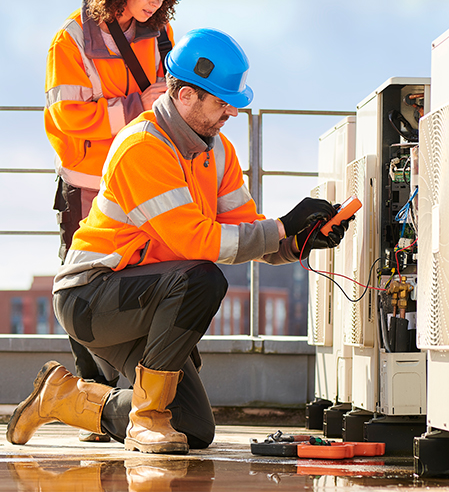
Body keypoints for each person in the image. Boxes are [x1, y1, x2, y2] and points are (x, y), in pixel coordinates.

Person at [7, 28, 349, 454]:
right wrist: (281, 226)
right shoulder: (141, 147)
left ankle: (65, 397)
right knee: (204, 279)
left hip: (148, 298)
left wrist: (298, 241)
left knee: (192, 429)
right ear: (186, 95)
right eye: (222, 103)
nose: (232, 113)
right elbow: (197, 241)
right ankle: (146, 420)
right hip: (92, 297)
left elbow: (243, 227)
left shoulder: (217, 149)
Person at [44, 0, 182, 433]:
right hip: (87, 184)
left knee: (136, 282)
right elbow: (68, 115)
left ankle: (118, 398)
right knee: (83, 288)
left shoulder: (161, 30)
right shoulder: (72, 39)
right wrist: (137, 104)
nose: (155, 2)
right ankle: (89, 398)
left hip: (140, 180)